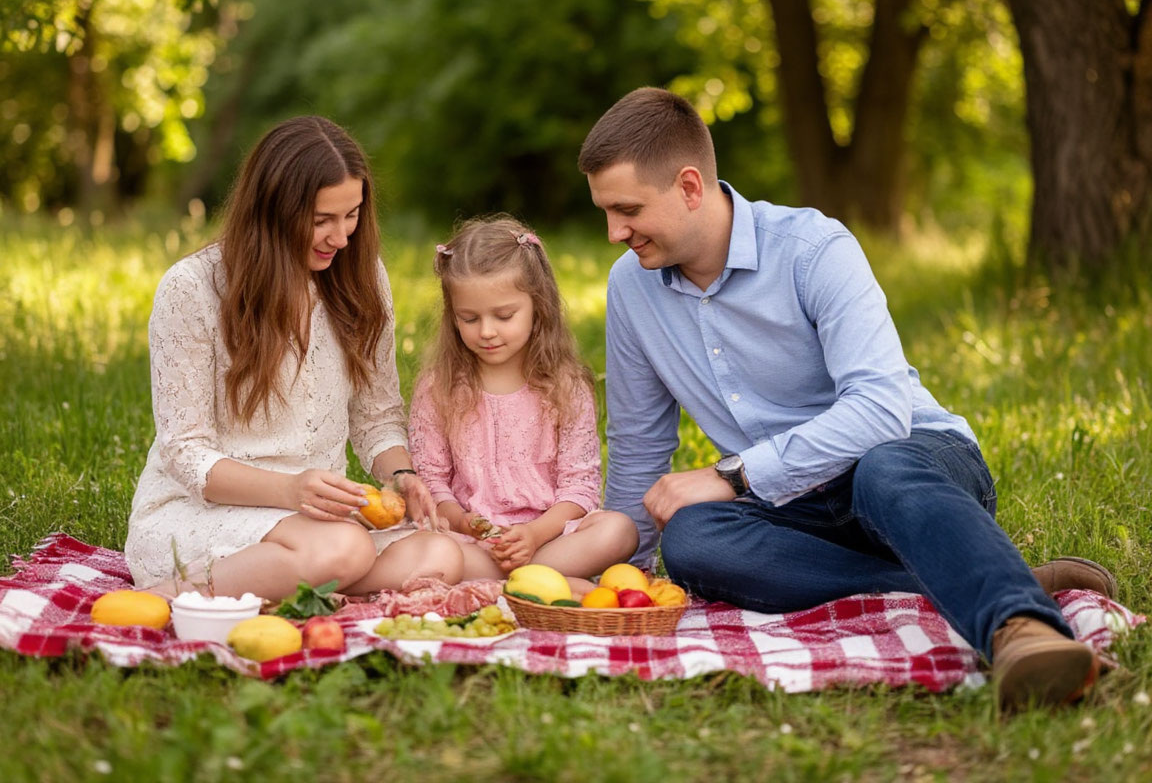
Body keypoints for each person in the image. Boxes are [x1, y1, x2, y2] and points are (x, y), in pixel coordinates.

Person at [577, 86, 1117, 708]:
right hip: (796, 510)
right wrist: (622, 580)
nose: (615, 232)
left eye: (627, 209)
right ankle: (966, 576)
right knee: (693, 540)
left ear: (690, 187)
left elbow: (880, 411)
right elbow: (641, 444)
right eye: (605, 212)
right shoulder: (631, 290)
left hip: (911, 465)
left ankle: (1021, 629)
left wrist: (735, 473)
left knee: (883, 467)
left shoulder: (813, 250)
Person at [125, 116, 464, 601]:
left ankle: (287, 580)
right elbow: (185, 453)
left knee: (439, 555)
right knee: (347, 548)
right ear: (272, 211)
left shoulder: (362, 277)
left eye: (352, 215)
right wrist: (289, 492)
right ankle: (161, 596)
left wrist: (402, 476)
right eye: (322, 220)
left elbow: (376, 418)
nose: (342, 237)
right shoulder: (192, 288)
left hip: (318, 520)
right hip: (199, 511)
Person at [408, 214, 638, 588]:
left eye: (504, 315)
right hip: (471, 540)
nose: (486, 331)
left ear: (538, 306)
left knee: (619, 531)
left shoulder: (565, 385)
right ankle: (539, 582)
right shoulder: (439, 386)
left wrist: (532, 536)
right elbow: (431, 481)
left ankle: (516, 578)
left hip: (549, 537)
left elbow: (580, 487)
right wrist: (466, 523)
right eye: (468, 318)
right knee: (430, 548)